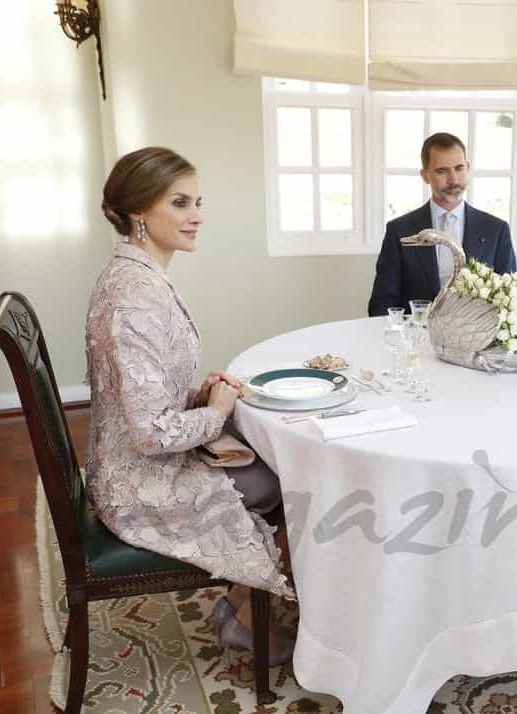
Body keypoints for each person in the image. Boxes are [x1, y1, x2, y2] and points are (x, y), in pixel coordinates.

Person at [87, 147, 294, 663]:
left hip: (135, 461)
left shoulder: (139, 277)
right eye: (180, 203)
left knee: (273, 463)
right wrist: (216, 412)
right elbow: (149, 434)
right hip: (141, 482)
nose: (196, 216)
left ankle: (240, 606)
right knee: (287, 482)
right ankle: (247, 618)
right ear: (139, 211)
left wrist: (198, 393)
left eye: (197, 202)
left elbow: (140, 391)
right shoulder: (135, 294)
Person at [368, 132, 517, 316]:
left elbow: (510, 301)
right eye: (442, 171)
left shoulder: (497, 230)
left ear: (468, 168)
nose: (453, 179)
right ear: (425, 175)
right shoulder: (399, 230)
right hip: (415, 339)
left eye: (459, 168)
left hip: (476, 342)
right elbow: (382, 305)